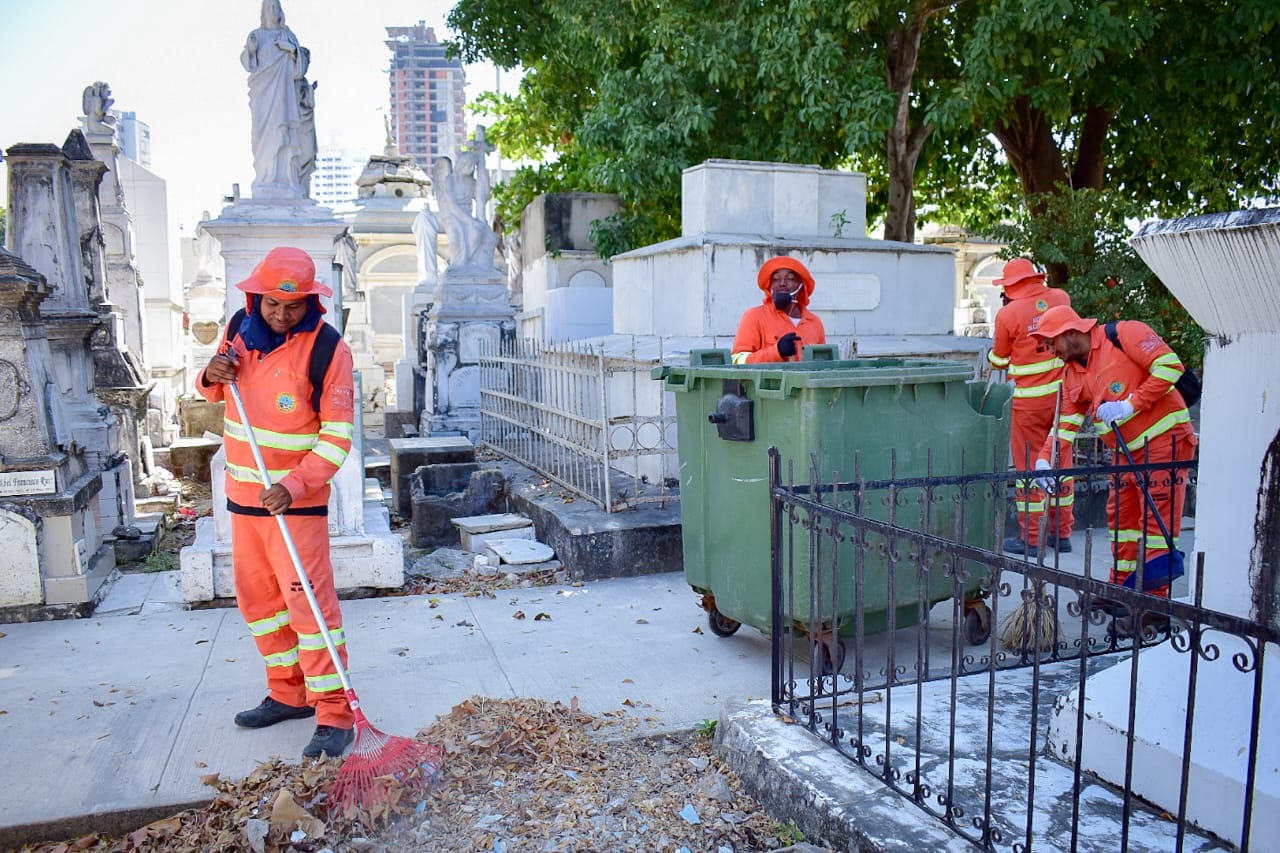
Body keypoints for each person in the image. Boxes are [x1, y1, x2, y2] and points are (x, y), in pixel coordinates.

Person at [197, 246, 357, 758]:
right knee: (261, 606)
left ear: (310, 301)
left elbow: (337, 437)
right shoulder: (238, 330)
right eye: (272, 305)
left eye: (293, 307)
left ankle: (334, 711)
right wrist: (211, 374)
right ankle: (288, 694)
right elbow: (215, 393)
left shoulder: (329, 349)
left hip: (295, 506)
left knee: (310, 608)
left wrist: (295, 485)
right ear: (255, 296)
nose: (282, 316)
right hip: (245, 502)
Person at [1031, 305, 1197, 597]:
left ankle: (1153, 605)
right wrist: (1046, 460)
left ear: (1070, 333)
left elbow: (1170, 367)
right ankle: (1121, 590)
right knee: (1121, 522)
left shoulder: (1125, 334)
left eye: (1049, 341)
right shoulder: (1072, 373)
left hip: (1165, 442)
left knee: (1155, 525)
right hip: (1125, 453)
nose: (1047, 349)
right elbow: (1065, 424)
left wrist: (1131, 404)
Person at [986, 258, 1075, 555]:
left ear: (1010, 287)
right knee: (1060, 460)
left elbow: (999, 360)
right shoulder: (1061, 298)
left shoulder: (1008, 314)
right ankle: (1061, 534)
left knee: (1028, 467)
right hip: (1064, 397)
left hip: (1029, 403)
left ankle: (1031, 537)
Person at [241, 0, 307, 198]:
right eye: (269, 8)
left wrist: (291, 50)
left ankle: (285, 179)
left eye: (276, 8)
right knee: (261, 137)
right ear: (263, 12)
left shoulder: (288, 36)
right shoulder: (256, 36)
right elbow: (248, 65)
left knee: (283, 132)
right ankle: (264, 178)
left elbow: (299, 71)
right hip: (262, 95)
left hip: (283, 95)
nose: (273, 11)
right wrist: (250, 50)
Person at [732, 257, 826, 364]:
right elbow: (737, 361)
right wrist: (777, 351)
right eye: (776, 279)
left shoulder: (815, 323)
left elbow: (823, 363)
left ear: (801, 285)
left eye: (790, 278)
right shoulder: (754, 316)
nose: (782, 283)